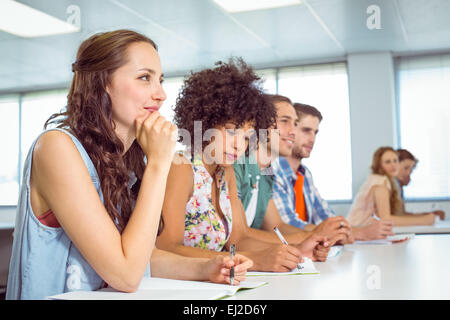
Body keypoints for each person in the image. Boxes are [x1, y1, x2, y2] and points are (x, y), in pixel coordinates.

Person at [6, 30, 251, 300]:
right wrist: (159, 164)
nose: (161, 94)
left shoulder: (129, 159)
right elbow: (125, 274)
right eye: (145, 78)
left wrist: (206, 267)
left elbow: (141, 258)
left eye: (160, 80)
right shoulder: (56, 147)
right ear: (103, 84)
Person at [157, 59, 329, 272]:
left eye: (247, 137)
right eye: (231, 131)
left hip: (217, 284)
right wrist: (255, 260)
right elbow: (167, 247)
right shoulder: (181, 166)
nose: (239, 145)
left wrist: (295, 250)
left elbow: (239, 238)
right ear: (205, 123)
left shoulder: (225, 172)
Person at [233, 95, 350, 254]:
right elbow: (239, 235)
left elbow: (277, 226)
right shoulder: (237, 165)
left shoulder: (266, 173)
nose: (293, 131)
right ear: (259, 123)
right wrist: (312, 236)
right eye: (284, 121)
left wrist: (313, 237)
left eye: (295, 124)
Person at [272, 103, 394, 241]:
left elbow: (326, 217)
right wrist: (357, 232)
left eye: (315, 132)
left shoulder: (305, 174)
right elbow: (286, 225)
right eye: (306, 130)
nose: (312, 139)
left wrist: (344, 230)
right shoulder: (272, 171)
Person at [347, 146, 436, 227]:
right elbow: (386, 219)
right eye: (388, 162)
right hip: (356, 230)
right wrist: (424, 220)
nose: (393, 165)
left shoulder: (383, 180)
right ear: (379, 165)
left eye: (395, 160)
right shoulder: (380, 182)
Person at [395, 149, 445, 220]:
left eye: (411, 170)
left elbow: (402, 214)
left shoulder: (398, 186)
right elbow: (397, 217)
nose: (409, 173)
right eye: (406, 168)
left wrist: (429, 215)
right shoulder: (387, 186)